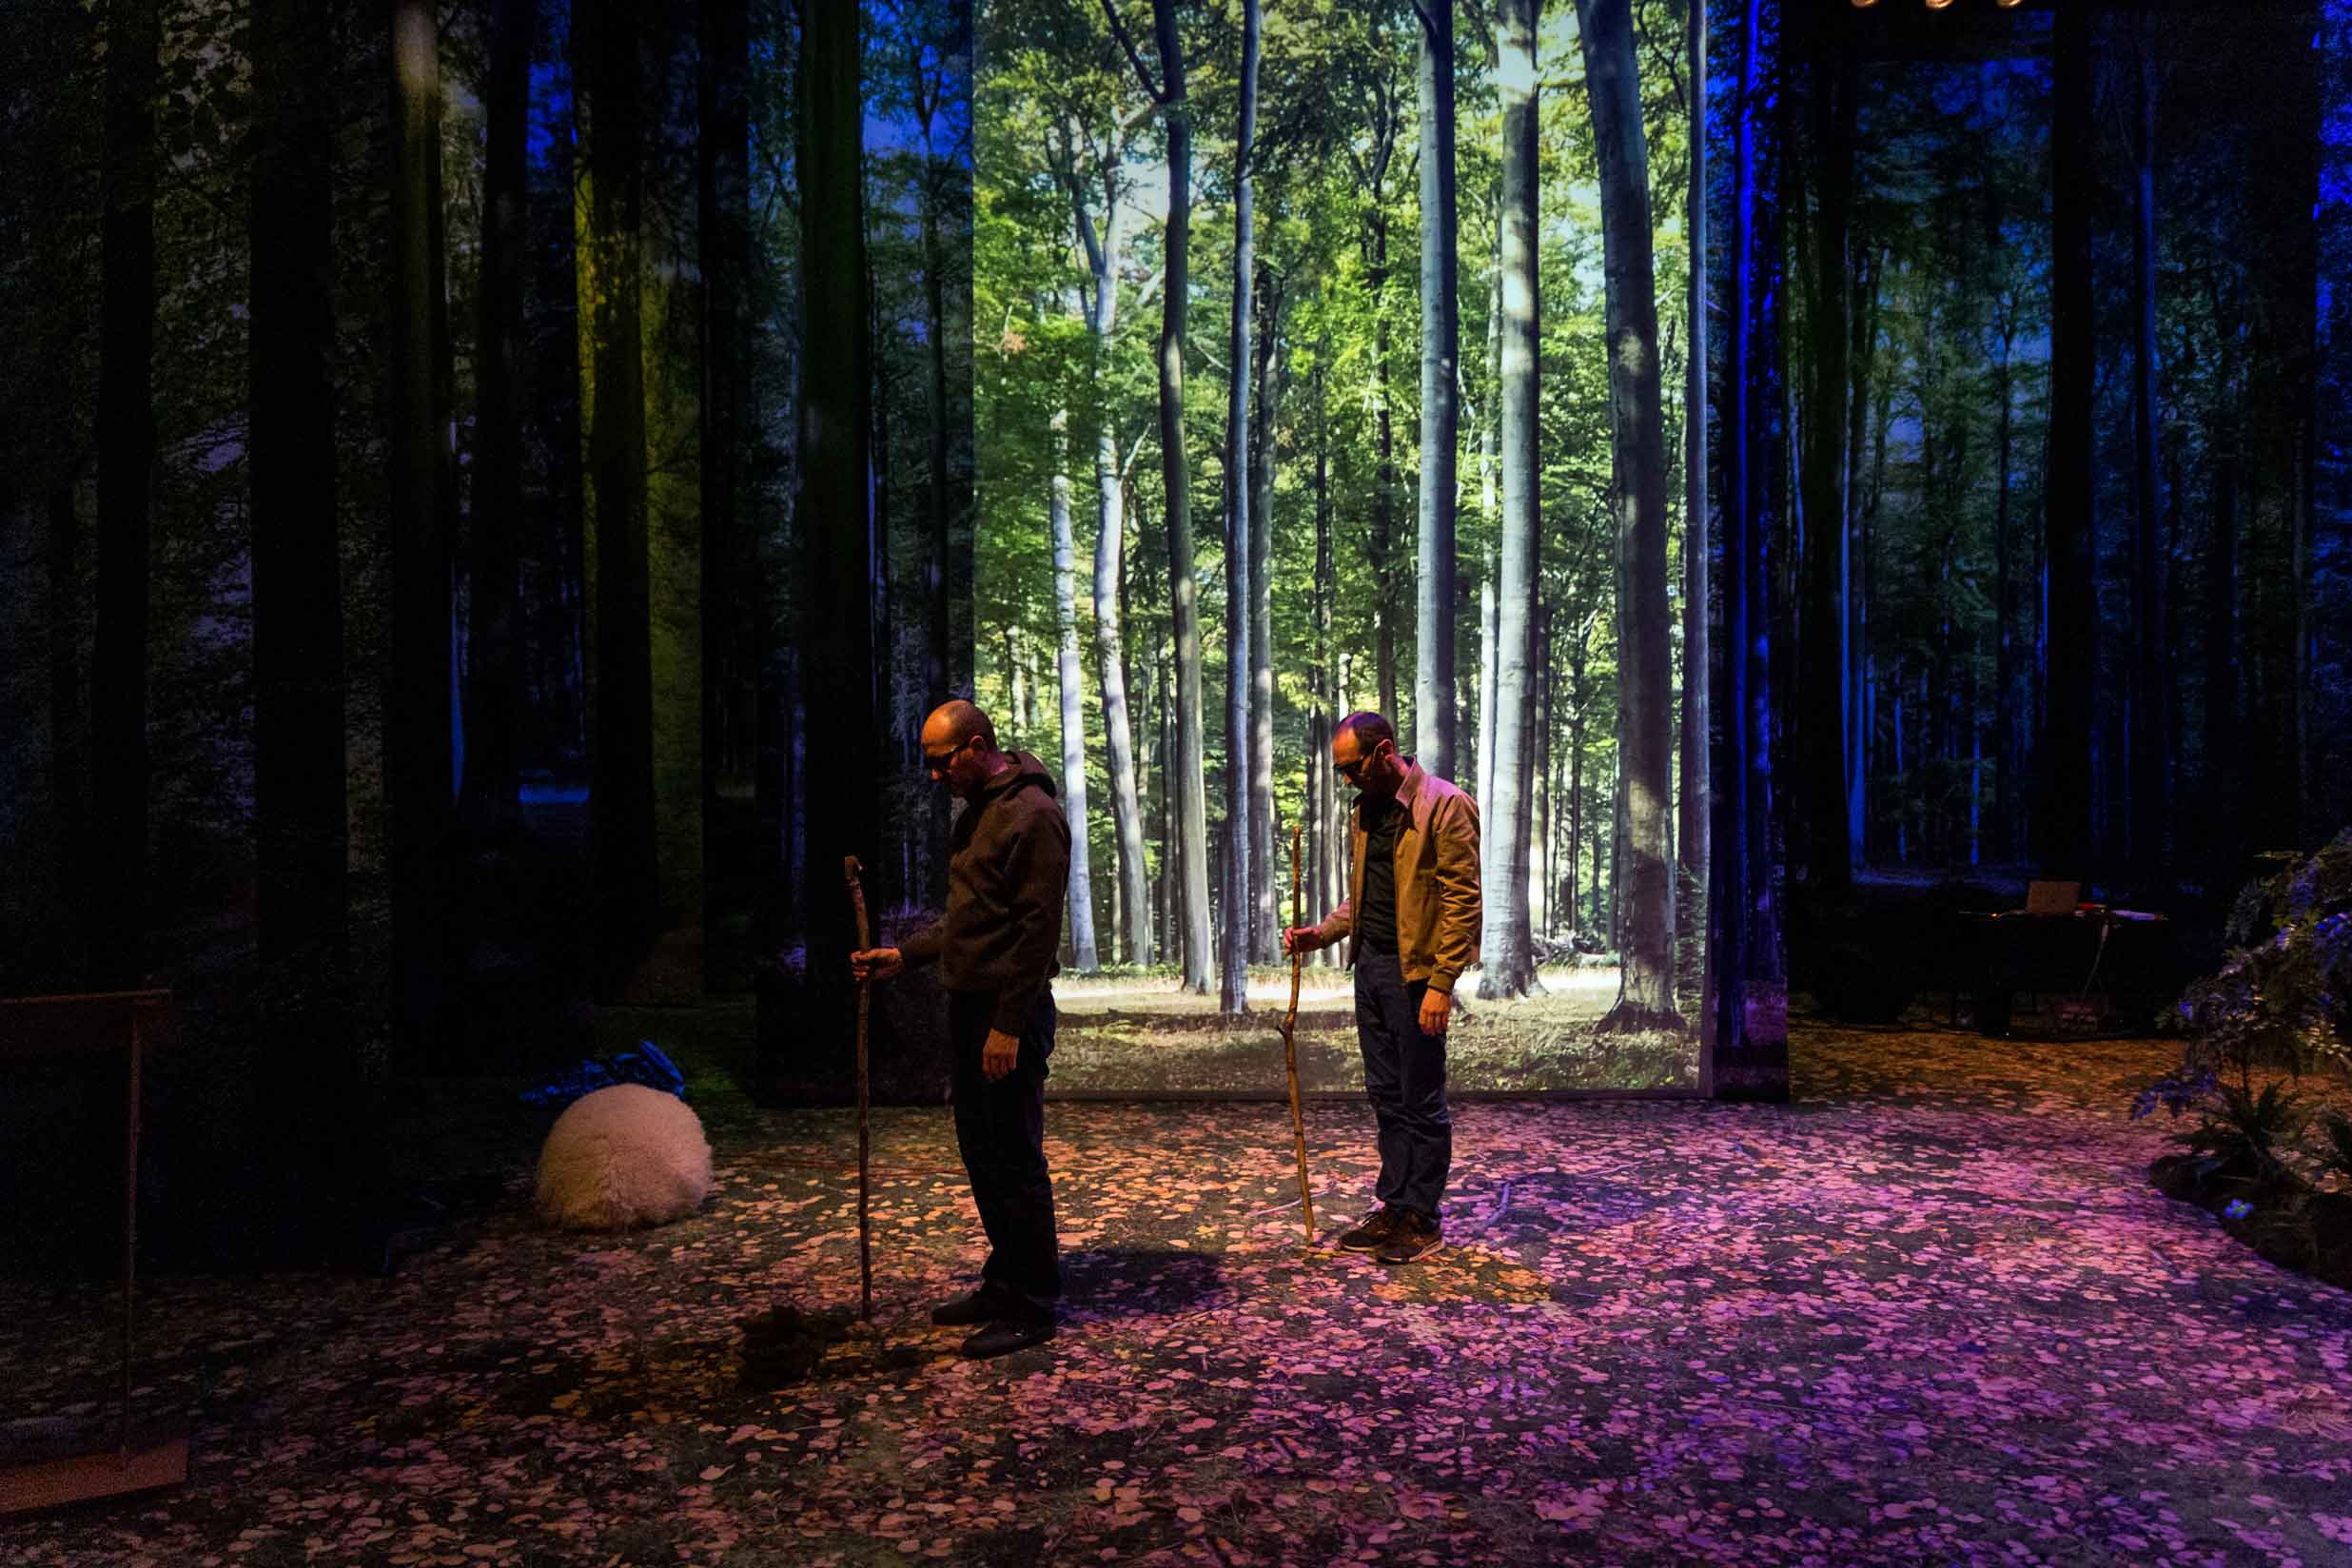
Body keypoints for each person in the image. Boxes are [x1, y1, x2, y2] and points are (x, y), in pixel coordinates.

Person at [851, 701, 1069, 1357]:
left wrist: (1007, 1026)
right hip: (971, 1007)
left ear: (977, 746)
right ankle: (1005, 1281)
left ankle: (1033, 1302)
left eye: (943, 763)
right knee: (982, 1151)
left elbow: (1035, 935)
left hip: (1010, 1011)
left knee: (1014, 1155)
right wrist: (906, 955)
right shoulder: (979, 814)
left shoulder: (1034, 816)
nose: (936, 776)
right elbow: (970, 921)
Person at [1283, 713, 1480, 1264]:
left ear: (1384, 751)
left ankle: (1422, 1215)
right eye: (1340, 770)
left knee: (1421, 1098)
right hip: (1370, 969)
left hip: (1417, 976)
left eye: (1351, 768)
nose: (1346, 780)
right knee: (1386, 1096)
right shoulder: (1366, 812)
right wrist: (1320, 933)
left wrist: (1443, 982)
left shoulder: (1445, 804)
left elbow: (1462, 902)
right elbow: (1366, 896)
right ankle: (1394, 1203)